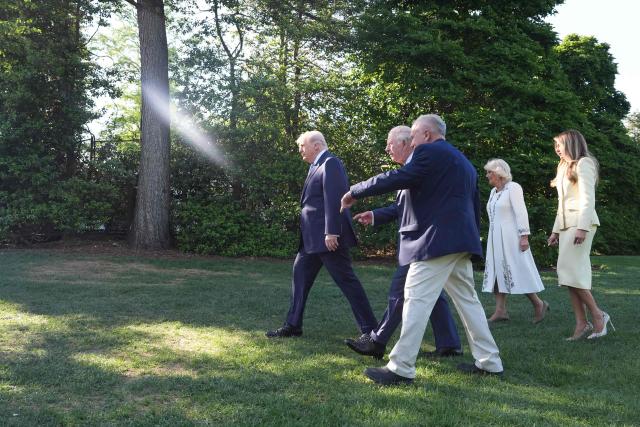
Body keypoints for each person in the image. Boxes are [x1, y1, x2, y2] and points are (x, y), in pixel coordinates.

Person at [341, 114, 503, 385]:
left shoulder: (428, 152)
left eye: (414, 136)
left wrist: (355, 191)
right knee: (468, 302)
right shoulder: (463, 162)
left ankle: (401, 367)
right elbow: (470, 207)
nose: (412, 143)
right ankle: (490, 362)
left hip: (435, 242)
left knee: (415, 298)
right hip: (459, 242)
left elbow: (396, 177)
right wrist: (471, 242)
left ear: (427, 134)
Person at [344, 126, 462, 359]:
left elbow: (392, 181)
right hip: (426, 240)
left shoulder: (417, 163)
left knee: (399, 291)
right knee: (433, 294)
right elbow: (403, 207)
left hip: (421, 241)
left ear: (407, 142)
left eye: (390, 143)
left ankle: (377, 341)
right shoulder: (414, 166)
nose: (387, 148)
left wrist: (355, 191)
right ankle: (449, 344)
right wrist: (376, 215)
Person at [266, 131, 378, 338]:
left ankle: (371, 330)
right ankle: (293, 325)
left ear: (316, 145)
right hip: (311, 240)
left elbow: (335, 199)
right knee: (299, 277)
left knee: (347, 281)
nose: (300, 150)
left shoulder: (331, 163)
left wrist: (332, 232)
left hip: (328, 239)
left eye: (302, 146)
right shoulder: (316, 165)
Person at [547, 130, 613, 340]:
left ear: (572, 144)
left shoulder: (584, 163)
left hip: (580, 225)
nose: (557, 149)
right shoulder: (563, 167)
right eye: (555, 146)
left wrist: (583, 228)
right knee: (567, 276)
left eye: (560, 145)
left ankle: (598, 316)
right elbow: (562, 203)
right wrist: (556, 230)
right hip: (566, 226)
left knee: (573, 273)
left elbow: (587, 198)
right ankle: (582, 323)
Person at [482, 159, 548, 323]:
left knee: (518, 270)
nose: (487, 175)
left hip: (512, 238)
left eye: (490, 172)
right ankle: (501, 310)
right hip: (495, 238)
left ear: (498, 172)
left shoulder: (513, 188)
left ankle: (539, 304)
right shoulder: (493, 192)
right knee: (497, 272)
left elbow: (521, 212)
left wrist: (524, 236)